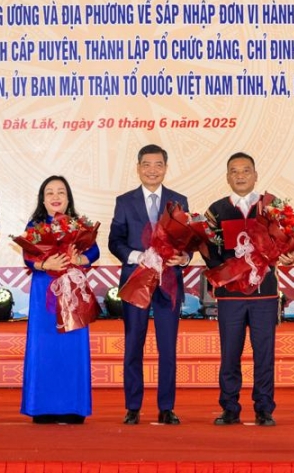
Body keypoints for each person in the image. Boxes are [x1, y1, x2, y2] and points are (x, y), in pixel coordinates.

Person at [204, 152, 294, 427]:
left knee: (264, 354)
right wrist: (228, 271)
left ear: (255, 175)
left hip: (264, 294)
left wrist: (290, 255)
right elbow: (208, 250)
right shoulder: (216, 210)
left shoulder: (272, 208)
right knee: (229, 353)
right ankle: (229, 408)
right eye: (234, 171)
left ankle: (264, 408)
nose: (240, 175)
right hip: (230, 294)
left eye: (246, 170)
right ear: (227, 177)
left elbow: (288, 241)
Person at [108, 144, 190, 426]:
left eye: (158, 165)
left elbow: (188, 241)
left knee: (168, 348)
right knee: (134, 344)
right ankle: (133, 406)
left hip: (168, 283)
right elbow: (115, 241)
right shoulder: (124, 201)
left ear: (165, 168)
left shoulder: (179, 201)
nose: (152, 170)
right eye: (146, 164)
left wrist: (184, 257)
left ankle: (166, 407)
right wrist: (136, 256)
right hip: (136, 281)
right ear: (138, 168)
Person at [20, 175, 99, 424]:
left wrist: (79, 259)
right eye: (50, 192)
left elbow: (94, 251)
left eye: (61, 192)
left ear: (68, 198)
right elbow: (27, 257)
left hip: (72, 289)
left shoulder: (79, 224)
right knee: (44, 346)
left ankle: (74, 407)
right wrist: (45, 264)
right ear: (43, 200)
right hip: (44, 290)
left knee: (72, 346)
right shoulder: (35, 226)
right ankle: (42, 407)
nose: (55, 197)